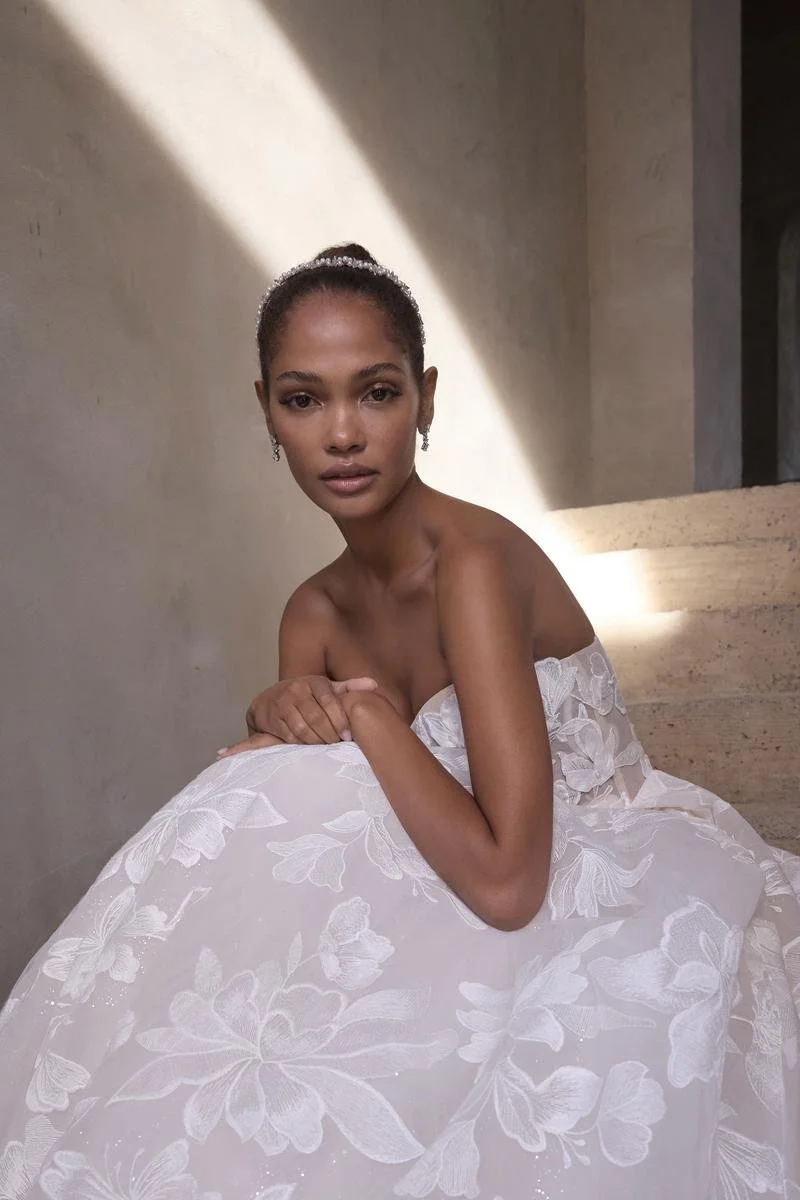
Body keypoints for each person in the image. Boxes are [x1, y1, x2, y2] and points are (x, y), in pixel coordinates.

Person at [1, 245, 798, 1200]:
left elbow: (512, 883)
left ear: (422, 398)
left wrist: (370, 722)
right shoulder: (314, 611)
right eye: (304, 400)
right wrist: (277, 706)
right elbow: (302, 815)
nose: (343, 433)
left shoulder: (471, 562)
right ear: (266, 411)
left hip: (588, 868)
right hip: (440, 872)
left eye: (375, 393)